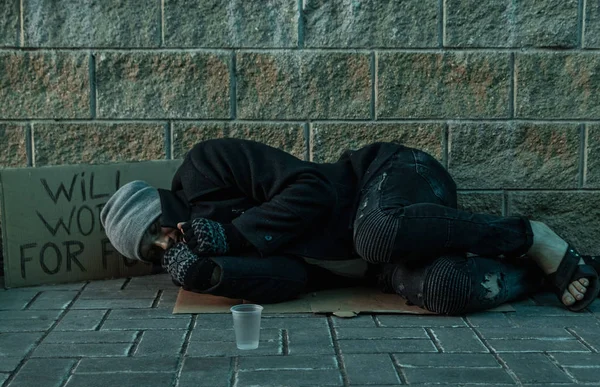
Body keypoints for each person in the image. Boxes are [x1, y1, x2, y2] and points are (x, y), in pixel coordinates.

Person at [100, 138, 599, 315]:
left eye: (158, 229)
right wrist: (214, 275)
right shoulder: (204, 255)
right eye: (155, 252)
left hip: (387, 184)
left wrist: (233, 233)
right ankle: (540, 273)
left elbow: (312, 188)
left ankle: (532, 236)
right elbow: (292, 280)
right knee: (447, 289)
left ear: (163, 203)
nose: (167, 243)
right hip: (375, 270)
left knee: (376, 233)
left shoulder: (206, 166)